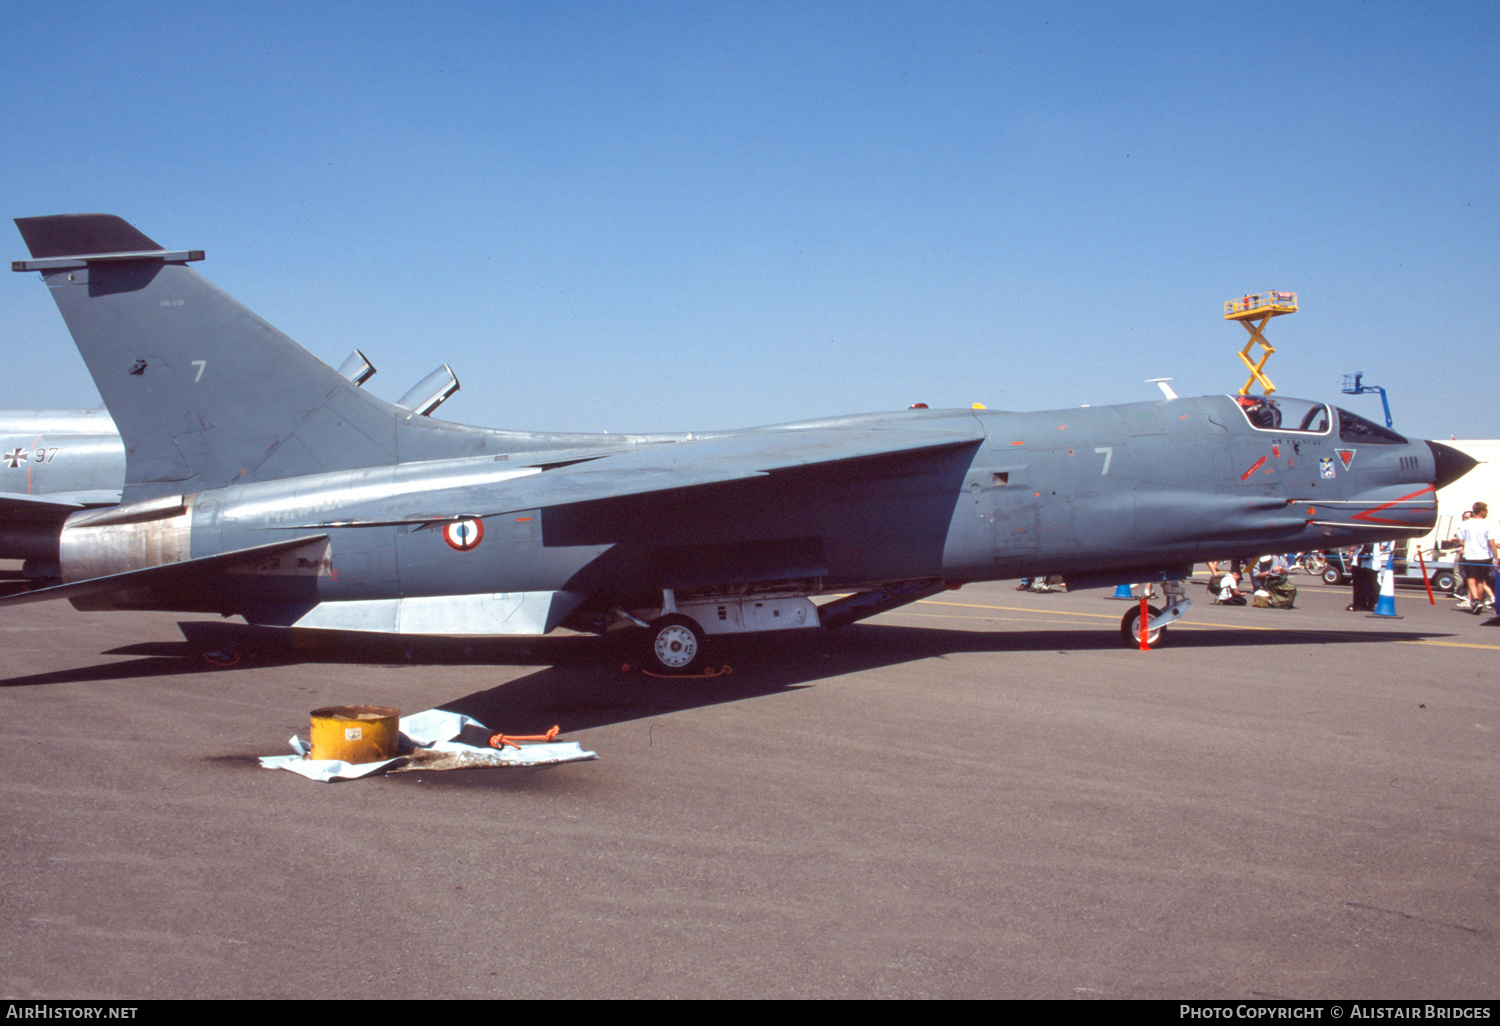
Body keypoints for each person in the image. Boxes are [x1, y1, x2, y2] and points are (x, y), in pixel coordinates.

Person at [1456, 502, 1499, 614]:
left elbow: (1461, 538)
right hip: (1484, 556)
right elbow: (1492, 543)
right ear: (1482, 511)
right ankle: (1479, 601)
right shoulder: (1488, 524)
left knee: (1471, 579)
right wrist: (1496, 557)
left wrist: (1462, 546)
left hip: (1470, 556)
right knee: (1481, 580)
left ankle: (1476, 600)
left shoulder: (1466, 524)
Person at [1348, 544, 1377, 612]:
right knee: (1369, 584)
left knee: (1361, 585)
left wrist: (1352, 550)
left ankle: (1360, 604)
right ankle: (1368, 604)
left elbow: (1358, 543)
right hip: (1366, 562)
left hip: (1364, 562)